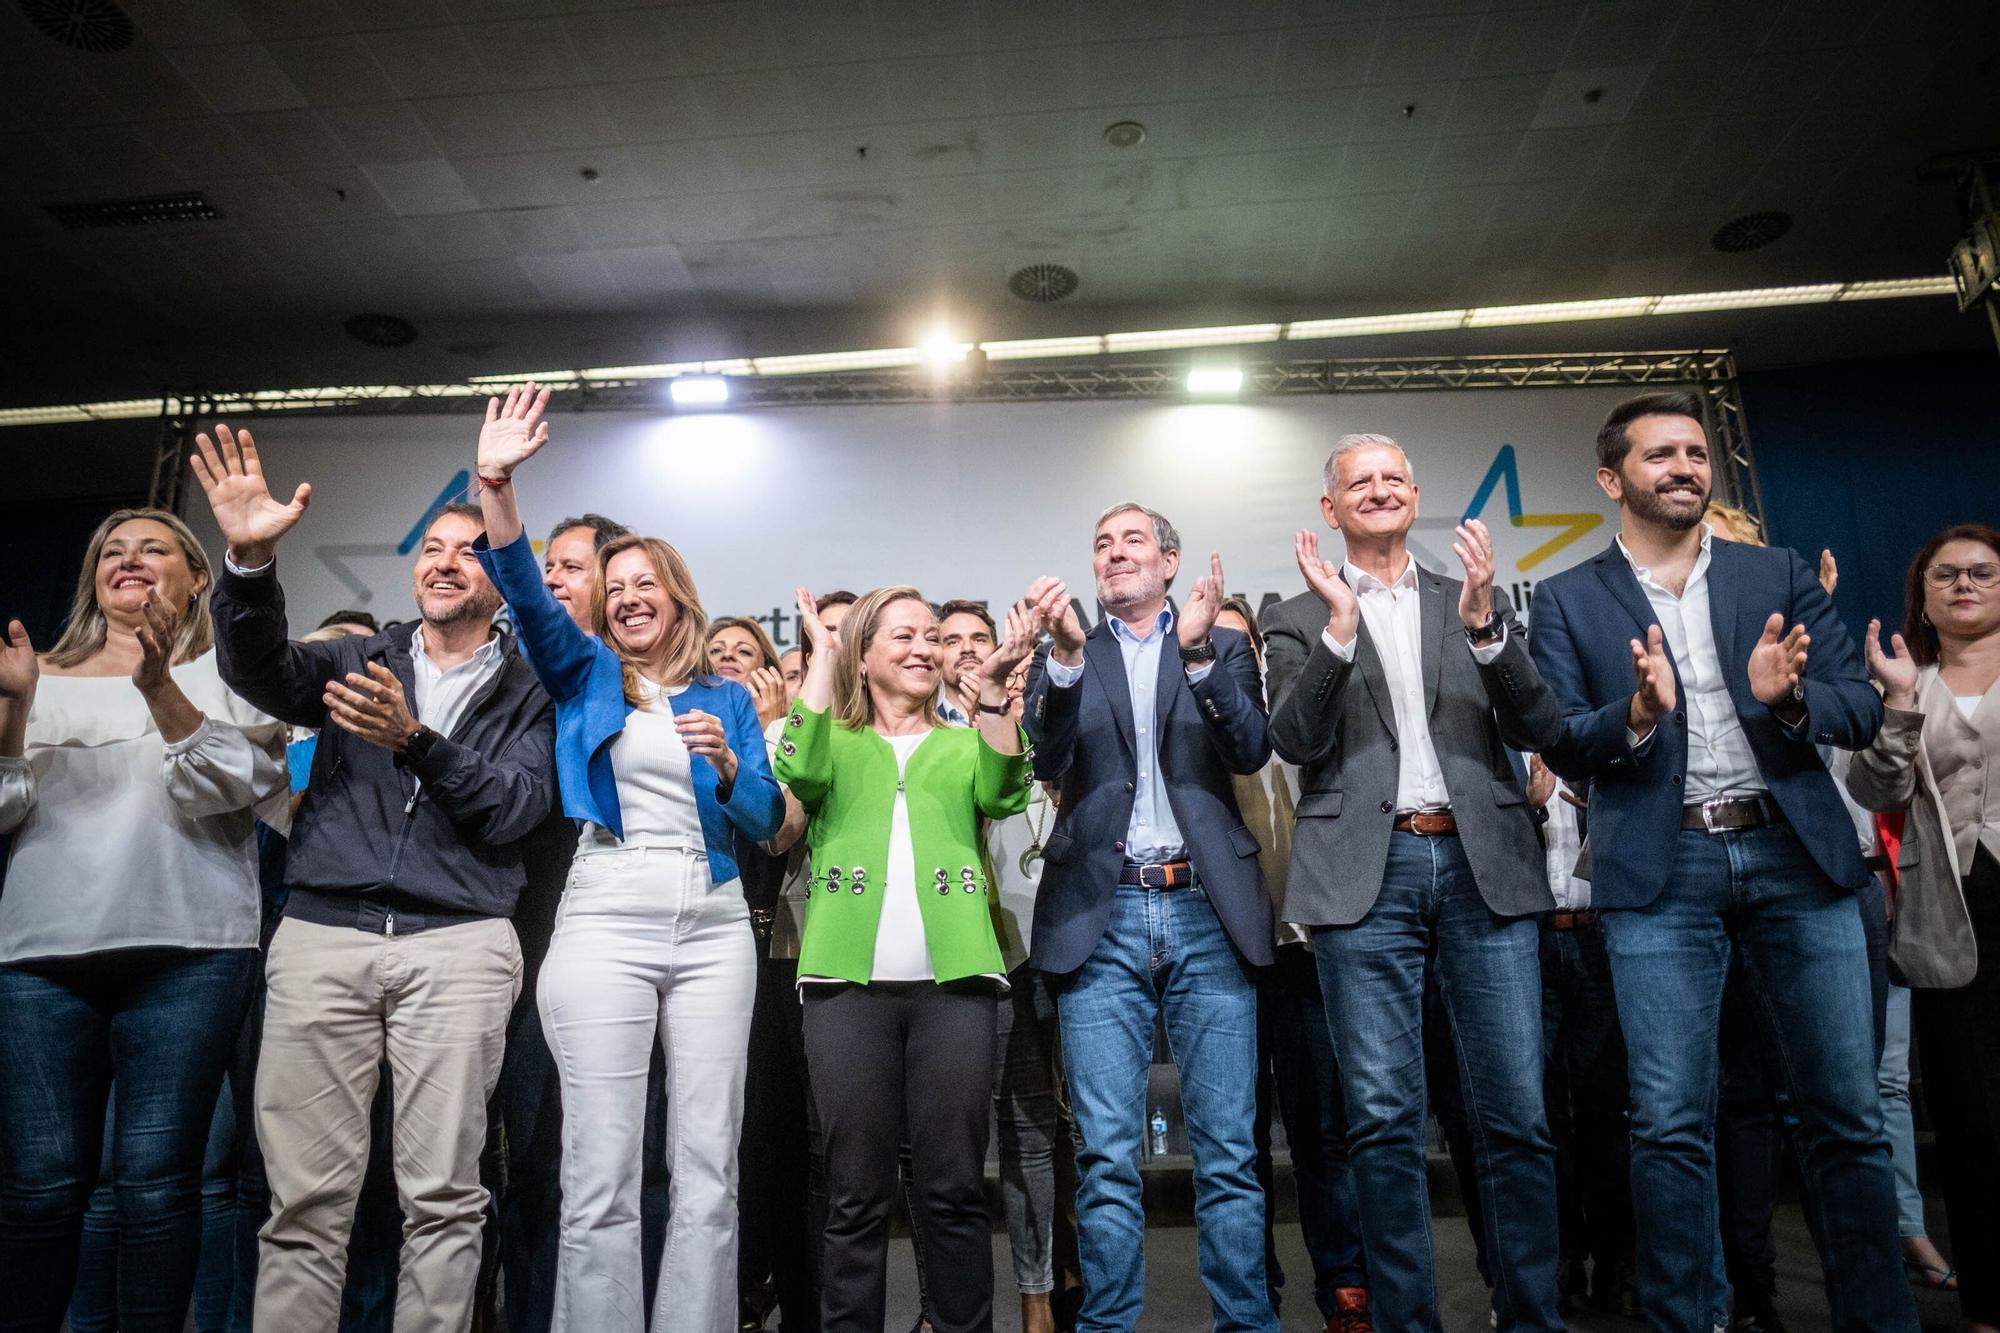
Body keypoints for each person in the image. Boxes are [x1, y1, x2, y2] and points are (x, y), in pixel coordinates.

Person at [1527, 391, 1914, 1333]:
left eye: (1696, 453)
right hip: (1664, 875)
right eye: (1661, 455)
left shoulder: (1775, 570)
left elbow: (1858, 706)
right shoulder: (1566, 598)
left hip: (1795, 857)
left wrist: (1788, 704)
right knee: (1667, 1124)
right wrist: (1636, 717)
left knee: (1845, 1116)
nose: (1686, 468)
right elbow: (1560, 738)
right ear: (1612, 479)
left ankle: (1880, 1319)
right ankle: (1685, 1320)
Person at [194, 424, 558, 1333]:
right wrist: (246, 563)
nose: (444, 563)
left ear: (502, 578)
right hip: (324, 937)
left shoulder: (530, 689)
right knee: (305, 1203)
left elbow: (514, 809)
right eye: (431, 548)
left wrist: (417, 742)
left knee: (442, 1197)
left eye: (469, 551)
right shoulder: (355, 659)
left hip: (459, 944)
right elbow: (259, 666)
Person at [469, 384, 783, 1332]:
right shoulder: (585, 671)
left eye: (648, 581)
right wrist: (496, 481)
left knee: (708, 1169)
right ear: (602, 608)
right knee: (599, 1171)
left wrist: (732, 766)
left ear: (677, 595)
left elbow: (768, 821)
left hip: (715, 921)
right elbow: (525, 585)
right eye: (617, 586)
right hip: (607, 910)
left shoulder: (728, 700)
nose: (631, 594)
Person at [1261, 434, 1563, 1332]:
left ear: (1416, 493)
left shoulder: (1473, 599)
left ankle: (1531, 1315)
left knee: (1514, 1113)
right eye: (1361, 481)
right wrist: (1339, 635)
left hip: (1483, 865)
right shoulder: (1292, 613)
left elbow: (1539, 718)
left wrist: (1486, 630)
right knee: (1384, 1122)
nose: (1381, 489)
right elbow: (1295, 741)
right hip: (1369, 872)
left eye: (1394, 477)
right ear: (1332, 509)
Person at [0, 508, 288, 1332]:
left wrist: (159, 684)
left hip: (191, 954)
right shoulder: (34, 671)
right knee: (41, 1184)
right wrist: (17, 708)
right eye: (111, 553)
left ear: (198, 576)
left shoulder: (232, 672)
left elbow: (233, 787)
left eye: (153, 548)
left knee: (156, 1180)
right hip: (40, 958)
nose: (129, 560)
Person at [1021, 503, 1277, 1333]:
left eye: (1133, 541)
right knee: (1105, 1157)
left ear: (1169, 563)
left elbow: (1249, 749)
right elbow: (1045, 755)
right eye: (1101, 543)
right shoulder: (1068, 654)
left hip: (1207, 908)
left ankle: (1246, 1322)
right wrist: (1058, 657)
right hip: (1102, 910)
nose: (1114, 553)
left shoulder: (1220, 642)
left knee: (1232, 1154)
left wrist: (1199, 650)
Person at [776, 583, 1034, 1333]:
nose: (926, 647)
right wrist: (822, 659)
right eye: (904, 636)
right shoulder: (834, 744)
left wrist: (991, 699)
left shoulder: (963, 739)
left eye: (933, 636)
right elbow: (794, 767)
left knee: (953, 1189)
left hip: (955, 989)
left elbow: (1006, 790)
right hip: (843, 990)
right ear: (862, 653)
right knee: (855, 1195)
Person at [1847, 522, 2000, 1333]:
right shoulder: (1903, 682)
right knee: (1974, 1122)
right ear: (1925, 595)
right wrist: (1901, 705)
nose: (1965, 585)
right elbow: (1873, 789)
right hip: (1952, 921)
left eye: (1982, 573)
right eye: (1948, 575)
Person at [1215, 595, 1372, 1333]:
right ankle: (1256, 1291)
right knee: (1235, 1140)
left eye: (1237, 642)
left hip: (1309, 949)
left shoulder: (1309, 712)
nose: (1228, 657)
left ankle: (1344, 1281)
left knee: (1326, 1130)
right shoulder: (1197, 726)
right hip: (1228, 956)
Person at [977, 639, 1080, 1333]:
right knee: (1025, 1130)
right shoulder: (952, 744)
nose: (1015, 685)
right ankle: (1035, 1292)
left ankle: (1077, 1272)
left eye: (1023, 675)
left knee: (1077, 1126)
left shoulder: (1066, 742)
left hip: (1079, 945)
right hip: (997, 951)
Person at [1527, 754, 1638, 1317]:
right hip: (1530, 943)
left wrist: (1604, 809)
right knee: (1542, 1120)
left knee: (1607, 1113)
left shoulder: (1595, 745)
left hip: (1599, 937)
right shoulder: (1500, 741)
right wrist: (1525, 808)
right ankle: (1563, 1258)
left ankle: (1620, 1262)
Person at [710, 615, 789, 727]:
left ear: (766, 671)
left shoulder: (794, 733)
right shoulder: (678, 715)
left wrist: (770, 726)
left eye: (744, 651)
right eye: (716, 650)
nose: (727, 654)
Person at [938, 599, 996, 725]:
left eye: (979, 640)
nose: (967, 648)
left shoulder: (1025, 717)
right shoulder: (922, 729)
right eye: (953, 642)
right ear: (936, 654)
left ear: (996, 650)